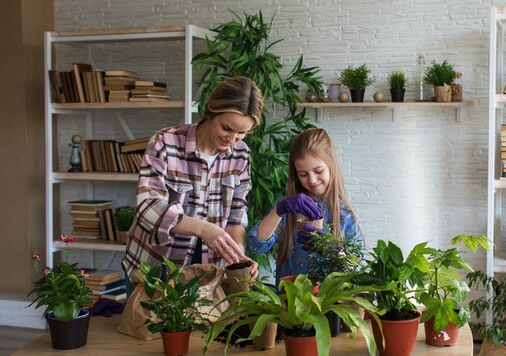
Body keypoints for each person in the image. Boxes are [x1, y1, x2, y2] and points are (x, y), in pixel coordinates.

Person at [122, 76, 262, 293]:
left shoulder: (241, 154)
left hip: (208, 274)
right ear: (211, 112)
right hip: (155, 268)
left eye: (242, 132)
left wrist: (237, 254)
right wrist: (204, 229)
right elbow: (147, 207)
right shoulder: (166, 143)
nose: (233, 140)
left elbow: (236, 215)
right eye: (226, 128)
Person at [246, 128, 363, 288]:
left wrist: (333, 250)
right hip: (290, 304)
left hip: (330, 306)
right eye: (303, 174)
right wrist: (279, 210)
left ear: (331, 166)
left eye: (318, 171)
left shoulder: (344, 215)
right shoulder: (290, 209)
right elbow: (256, 245)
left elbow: (357, 272)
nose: (312, 180)